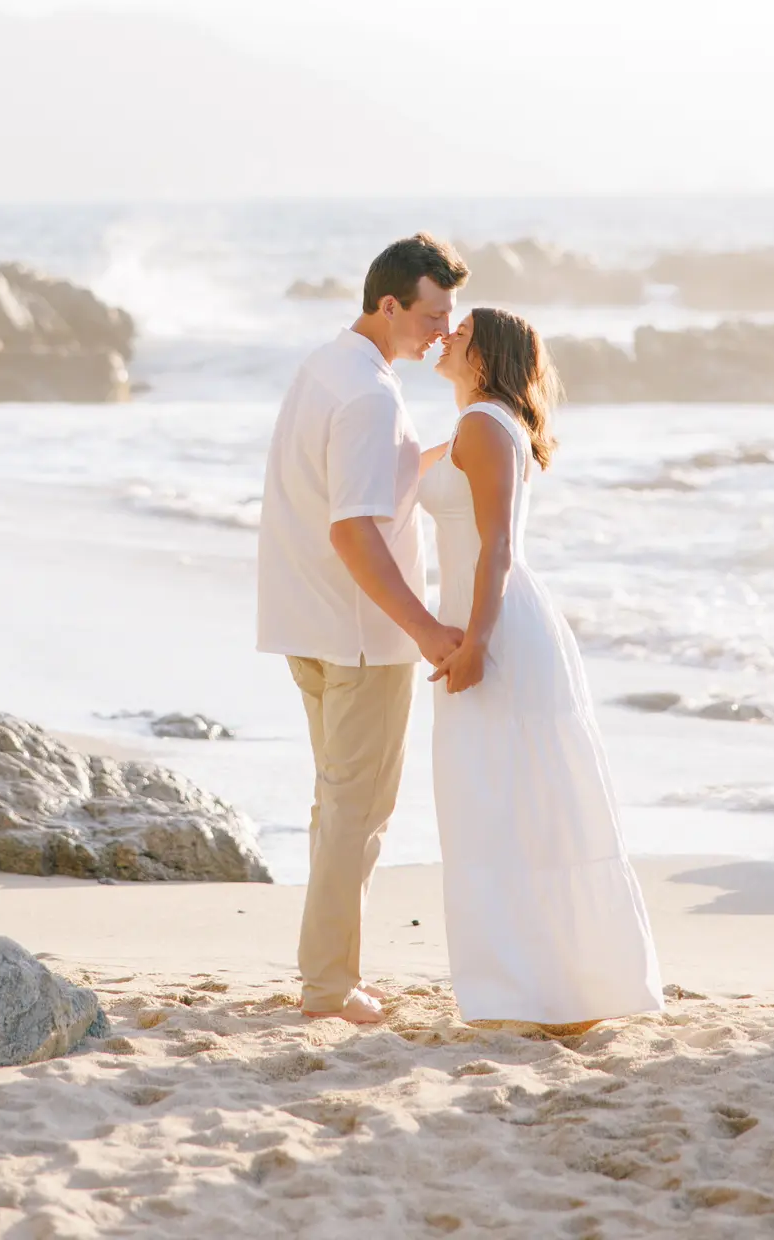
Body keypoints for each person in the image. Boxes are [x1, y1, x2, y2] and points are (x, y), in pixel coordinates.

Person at [420, 306, 664, 1030]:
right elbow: (402, 472)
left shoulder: (483, 425)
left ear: (486, 356)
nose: (445, 337)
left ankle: (524, 991)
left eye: (460, 333)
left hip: (497, 627)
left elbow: (496, 546)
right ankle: (538, 986)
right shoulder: (480, 425)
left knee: (499, 804)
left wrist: (475, 643)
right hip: (494, 619)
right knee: (510, 805)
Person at [257, 232, 469, 1024]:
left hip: (308, 622)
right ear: (389, 304)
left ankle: (326, 973)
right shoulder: (371, 396)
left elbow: (376, 480)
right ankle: (329, 987)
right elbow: (354, 530)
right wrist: (427, 630)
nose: (444, 331)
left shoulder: (327, 366)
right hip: (361, 638)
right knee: (358, 814)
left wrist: (463, 448)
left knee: (337, 808)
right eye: (432, 315)